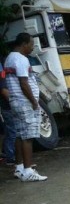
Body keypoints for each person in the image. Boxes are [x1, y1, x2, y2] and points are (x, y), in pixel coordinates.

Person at [4, 33, 47, 181]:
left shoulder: (10, 57)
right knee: (28, 136)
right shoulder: (21, 59)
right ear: (24, 44)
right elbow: (24, 83)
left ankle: (19, 167)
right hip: (24, 102)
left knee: (19, 135)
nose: (32, 47)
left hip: (15, 101)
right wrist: (34, 102)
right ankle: (28, 172)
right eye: (31, 44)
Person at [0, 58, 17, 165]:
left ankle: (11, 156)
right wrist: (14, 103)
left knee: (10, 131)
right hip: (7, 105)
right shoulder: (2, 72)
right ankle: (11, 157)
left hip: (6, 105)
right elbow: (3, 89)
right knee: (13, 132)